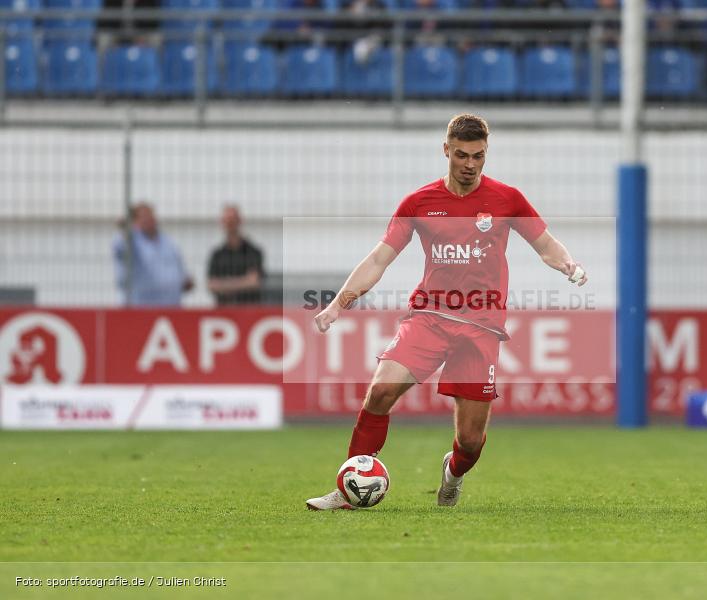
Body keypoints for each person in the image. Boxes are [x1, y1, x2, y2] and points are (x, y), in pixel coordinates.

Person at [306, 114, 587, 510]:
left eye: (478, 156)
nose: (470, 164)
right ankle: (348, 488)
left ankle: (452, 474)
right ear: (446, 151)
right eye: (461, 155)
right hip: (429, 318)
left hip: (481, 328)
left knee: (470, 441)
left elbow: (545, 244)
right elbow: (379, 258)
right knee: (380, 391)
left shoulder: (507, 199)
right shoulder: (420, 203)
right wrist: (339, 304)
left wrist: (569, 265)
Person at [112, 201, 194, 306]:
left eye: (151, 215)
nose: (149, 220)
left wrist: (183, 280)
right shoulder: (130, 241)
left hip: (171, 307)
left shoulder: (168, 242)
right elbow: (120, 250)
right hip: (140, 307)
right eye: (144, 217)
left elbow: (177, 267)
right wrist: (125, 230)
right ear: (134, 221)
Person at [206, 204, 266, 305]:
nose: (230, 224)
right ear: (222, 223)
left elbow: (254, 282)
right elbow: (211, 285)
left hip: (249, 310)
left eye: (233, 221)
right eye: (228, 221)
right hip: (224, 311)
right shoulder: (217, 254)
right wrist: (242, 282)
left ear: (240, 221)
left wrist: (224, 284)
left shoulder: (253, 252)